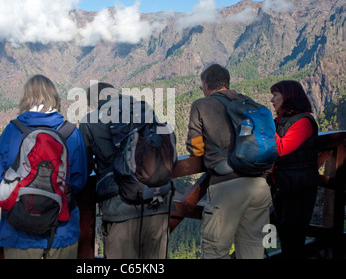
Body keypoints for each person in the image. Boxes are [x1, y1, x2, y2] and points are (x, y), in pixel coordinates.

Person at [0, 74, 88, 259]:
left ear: (26, 98)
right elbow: (79, 182)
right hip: (61, 233)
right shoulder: (71, 133)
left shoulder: (13, 131)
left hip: (19, 234)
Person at [78, 82, 173, 259]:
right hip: (157, 198)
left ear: (94, 102)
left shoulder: (89, 122)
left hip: (119, 205)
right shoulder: (145, 110)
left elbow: (84, 166)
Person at [186, 63, 271, 259]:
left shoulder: (201, 105)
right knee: (253, 249)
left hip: (226, 187)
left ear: (206, 84)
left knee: (216, 251)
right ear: (227, 82)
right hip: (258, 185)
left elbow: (196, 146)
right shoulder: (248, 102)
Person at [269, 80, 318, 259]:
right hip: (284, 186)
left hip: (299, 189)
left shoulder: (303, 122)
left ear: (288, 96)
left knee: (292, 238)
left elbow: (281, 148)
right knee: (285, 234)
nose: (272, 100)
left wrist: (266, 126)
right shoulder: (283, 121)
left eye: (276, 95)